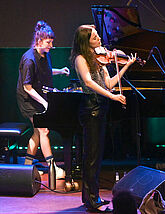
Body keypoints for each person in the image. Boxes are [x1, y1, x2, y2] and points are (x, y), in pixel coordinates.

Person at [69, 25, 136, 212]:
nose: (99, 39)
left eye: (98, 36)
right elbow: (89, 83)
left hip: (101, 108)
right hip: (91, 109)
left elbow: (109, 83)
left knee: (97, 157)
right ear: (86, 42)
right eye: (95, 37)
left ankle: (93, 197)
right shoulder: (81, 59)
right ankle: (91, 200)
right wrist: (112, 96)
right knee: (90, 156)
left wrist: (125, 68)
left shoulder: (99, 59)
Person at [17, 20, 69, 179]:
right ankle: (53, 167)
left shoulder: (45, 54)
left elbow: (45, 72)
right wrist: (45, 102)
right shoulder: (29, 59)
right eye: (48, 42)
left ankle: (27, 166)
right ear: (38, 41)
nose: (51, 45)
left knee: (37, 132)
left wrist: (60, 71)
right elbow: (27, 87)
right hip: (28, 100)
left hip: (38, 98)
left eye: (51, 42)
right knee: (43, 130)